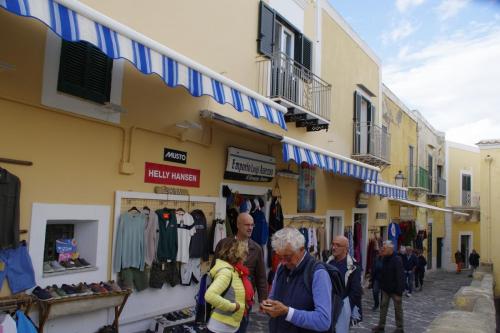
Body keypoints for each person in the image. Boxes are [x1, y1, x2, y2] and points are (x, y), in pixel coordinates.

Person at [263, 227, 332, 333]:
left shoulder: (318, 273)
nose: (283, 262)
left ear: (301, 249)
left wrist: (287, 312)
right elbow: (272, 298)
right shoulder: (281, 267)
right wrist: (268, 306)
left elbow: (323, 321)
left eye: (288, 257)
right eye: (280, 257)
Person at [214, 213, 268, 333]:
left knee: (240, 329)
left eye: (252, 225)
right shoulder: (224, 244)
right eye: (247, 225)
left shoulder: (257, 249)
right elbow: (214, 269)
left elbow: (261, 277)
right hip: (223, 296)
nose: (250, 228)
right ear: (238, 225)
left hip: (244, 300)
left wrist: (263, 300)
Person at [205, 238, 247, 333]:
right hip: (221, 327)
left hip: (228, 325)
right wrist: (232, 307)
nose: (244, 257)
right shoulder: (226, 272)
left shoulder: (231, 270)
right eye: (243, 254)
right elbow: (210, 295)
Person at [327, 235, 362, 330]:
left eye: (338, 245)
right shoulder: (328, 262)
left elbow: (355, 291)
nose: (333, 247)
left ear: (346, 249)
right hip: (327, 306)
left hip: (342, 307)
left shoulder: (353, 267)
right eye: (333, 244)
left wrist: (345, 308)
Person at [372, 240, 405, 333]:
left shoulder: (397, 259)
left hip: (395, 289)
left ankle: (400, 328)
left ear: (391, 248)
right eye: (382, 247)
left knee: (398, 309)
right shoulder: (384, 258)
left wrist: (399, 291)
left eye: (384, 248)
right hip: (386, 288)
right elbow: (382, 272)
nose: (383, 249)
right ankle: (381, 326)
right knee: (383, 307)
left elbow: (400, 275)